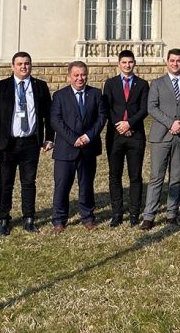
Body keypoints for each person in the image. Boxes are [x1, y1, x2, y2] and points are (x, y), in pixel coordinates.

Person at [0, 51, 53, 235]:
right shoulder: (1, 87)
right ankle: (4, 219)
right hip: (7, 144)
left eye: (27, 63)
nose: (24, 67)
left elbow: (49, 115)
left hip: (31, 143)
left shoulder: (40, 86)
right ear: (12, 66)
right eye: (20, 64)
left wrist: (49, 138)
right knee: (6, 183)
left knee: (29, 182)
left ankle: (29, 218)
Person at [141, 48, 180, 228]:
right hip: (161, 136)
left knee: (176, 177)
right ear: (167, 62)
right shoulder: (157, 83)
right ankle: (149, 216)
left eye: (179, 61)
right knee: (156, 177)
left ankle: (172, 214)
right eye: (172, 60)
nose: (175, 64)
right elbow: (152, 107)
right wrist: (170, 123)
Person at [49, 61, 105, 232]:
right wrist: (74, 139)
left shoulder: (95, 94)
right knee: (62, 186)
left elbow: (101, 118)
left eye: (83, 75)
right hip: (66, 149)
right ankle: (59, 220)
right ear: (69, 77)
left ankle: (87, 217)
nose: (80, 78)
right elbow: (56, 120)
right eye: (76, 75)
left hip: (88, 148)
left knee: (86, 185)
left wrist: (88, 136)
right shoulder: (59, 95)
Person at [101, 50, 149, 227]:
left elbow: (144, 109)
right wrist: (120, 126)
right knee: (115, 175)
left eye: (130, 62)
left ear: (134, 63)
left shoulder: (142, 84)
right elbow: (107, 108)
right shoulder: (110, 83)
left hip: (135, 135)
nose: (127, 65)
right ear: (118, 64)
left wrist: (129, 124)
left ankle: (134, 213)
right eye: (124, 62)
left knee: (135, 175)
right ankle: (117, 213)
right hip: (115, 136)